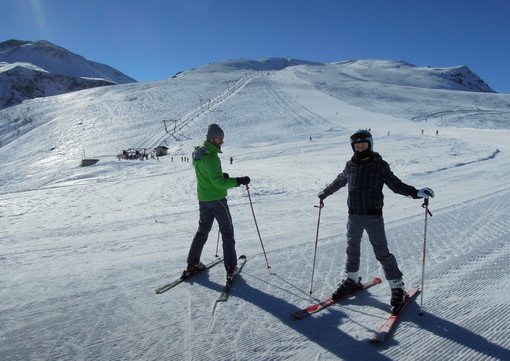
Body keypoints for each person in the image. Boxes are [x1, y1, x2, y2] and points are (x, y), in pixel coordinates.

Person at [317, 129, 434, 313]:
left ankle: (397, 287)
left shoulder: (379, 165)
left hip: (373, 216)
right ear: (353, 147)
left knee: (382, 253)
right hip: (353, 216)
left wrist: (415, 193)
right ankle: (352, 280)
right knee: (352, 249)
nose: (360, 147)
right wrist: (325, 193)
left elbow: (396, 185)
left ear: (370, 144)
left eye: (363, 144)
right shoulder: (350, 165)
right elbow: (340, 181)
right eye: (357, 145)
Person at [183, 124, 250, 282]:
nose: (222, 141)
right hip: (217, 200)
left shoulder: (199, 154)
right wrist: (238, 181)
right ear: (212, 138)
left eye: (222, 138)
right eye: (220, 138)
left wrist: (221, 176)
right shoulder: (212, 158)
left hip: (204, 199)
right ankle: (231, 267)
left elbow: (209, 175)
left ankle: (192, 264)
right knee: (227, 232)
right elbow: (219, 183)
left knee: (202, 231)